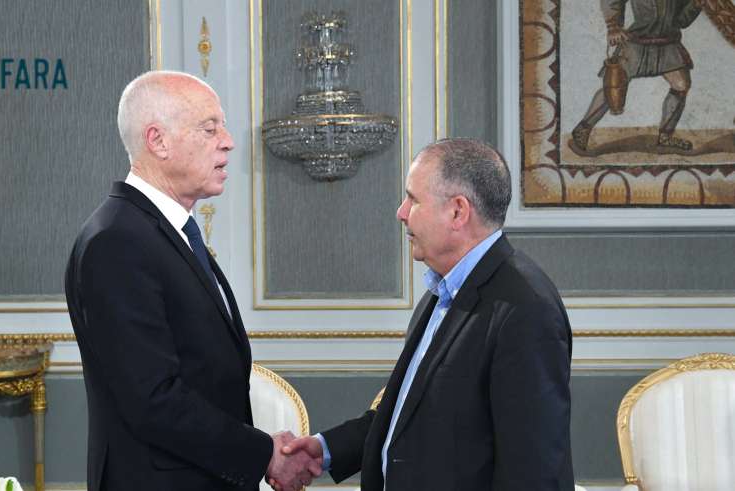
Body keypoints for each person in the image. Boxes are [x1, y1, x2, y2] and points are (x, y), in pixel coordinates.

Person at [65, 71, 319, 491]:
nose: (228, 141)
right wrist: (263, 454)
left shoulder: (159, 231)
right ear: (157, 141)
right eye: (209, 128)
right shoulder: (117, 241)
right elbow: (152, 398)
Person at [274, 138, 574, 491]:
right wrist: (325, 450)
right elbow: (412, 414)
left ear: (458, 212)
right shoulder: (444, 291)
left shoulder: (525, 307)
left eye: (413, 199)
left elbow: (532, 470)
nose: (401, 212)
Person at [571, 0, 703, 154]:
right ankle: (582, 129)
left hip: (667, 42)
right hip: (636, 43)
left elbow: (681, 21)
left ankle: (666, 136)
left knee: (681, 84)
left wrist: (695, 5)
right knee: (614, 85)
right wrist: (613, 26)